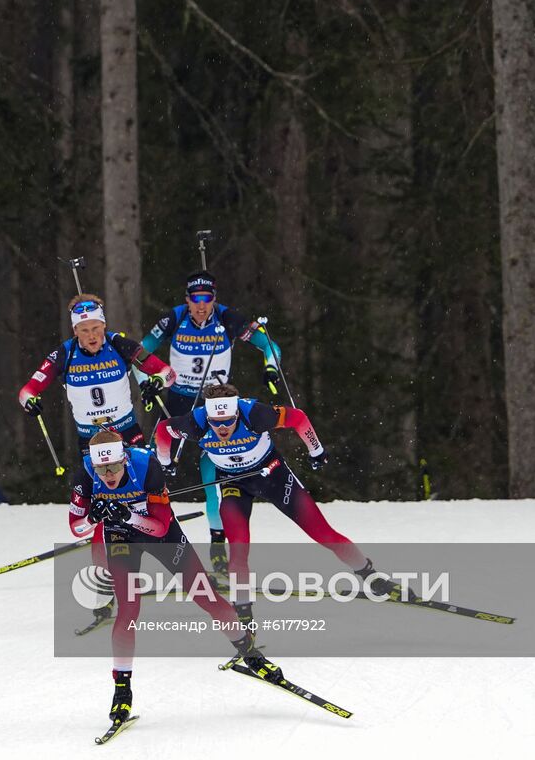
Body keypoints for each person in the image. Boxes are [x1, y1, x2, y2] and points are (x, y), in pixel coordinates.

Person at [69, 429, 282, 729]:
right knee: (128, 611)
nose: (108, 474)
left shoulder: (146, 465)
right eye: (102, 469)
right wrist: (93, 518)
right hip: (119, 537)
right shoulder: (85, 473)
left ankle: (248, 651)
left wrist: (127, 515)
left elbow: (159, 526)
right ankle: (122, 688)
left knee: (206, 596)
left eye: (114, 467)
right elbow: (75, 527)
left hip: (159, 532)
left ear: (124, 459)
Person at [155, 382, 392, 625]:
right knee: (237, 552)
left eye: (228, 420)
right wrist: (165, 461)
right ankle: (244, 615)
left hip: (273, 475)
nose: (222, 427)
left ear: (237, 412)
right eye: (216, 422)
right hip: (233, 483)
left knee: (324, 534)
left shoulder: (255, 414)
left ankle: (370, 576)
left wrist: (317, 451)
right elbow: (163, 431)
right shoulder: (196, 423)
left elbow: (298, 418)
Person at [137, 270, 283, 570]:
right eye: (195, 299)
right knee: (152, 469)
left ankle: (217, 543)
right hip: (176, 404)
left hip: (216, 405)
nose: (201, 306)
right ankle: (138, 532)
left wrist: (270, 367)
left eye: (207, 299)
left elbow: (269, 344)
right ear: (186, 300)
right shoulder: (173, 319)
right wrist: (146, 383)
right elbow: (139, 354)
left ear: (214, 299)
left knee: (212, 478)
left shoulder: (228, 318)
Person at [18, 294, 177, 452]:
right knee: (96, 477)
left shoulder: (119, 345)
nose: (92, 336)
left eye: (96, 328)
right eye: (85, 330)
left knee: (143, 474)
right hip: (91, 437)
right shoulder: (64, 354)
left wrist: (158, 381)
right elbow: (27, 391)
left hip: (126, 430)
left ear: (104, 325)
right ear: (75, 331)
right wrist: (29, 402)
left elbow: (168, 374)